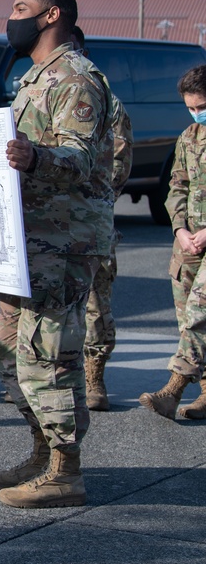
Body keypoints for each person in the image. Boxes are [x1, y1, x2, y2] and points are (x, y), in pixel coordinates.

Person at [0, 0, 113, 508]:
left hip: (62, 242)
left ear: (51, 15)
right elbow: (10, 153)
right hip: (24, 242)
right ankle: (42, 451)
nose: (11, 18)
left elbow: (80, 158)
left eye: (21, 8)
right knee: (9, 350)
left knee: (50, 353)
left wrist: (34, 157)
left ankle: (67, 471)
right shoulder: (31, 78)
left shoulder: (77, 79)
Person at [71, 26, 134, 412]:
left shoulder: (109, 104)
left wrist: (79, 192)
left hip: (91, 220)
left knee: (96, 303)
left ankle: (95, 376)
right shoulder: (40, 99)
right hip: (48, 224)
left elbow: (119, 166)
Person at [139, 65, 206, 420]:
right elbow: (176, 186)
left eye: (202, 106)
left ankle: (173, 390)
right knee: (188, 321)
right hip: (188, 244)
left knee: (199, 314)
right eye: (191, 107)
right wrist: (179, 229)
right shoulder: (189, 137)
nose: (197, 113)